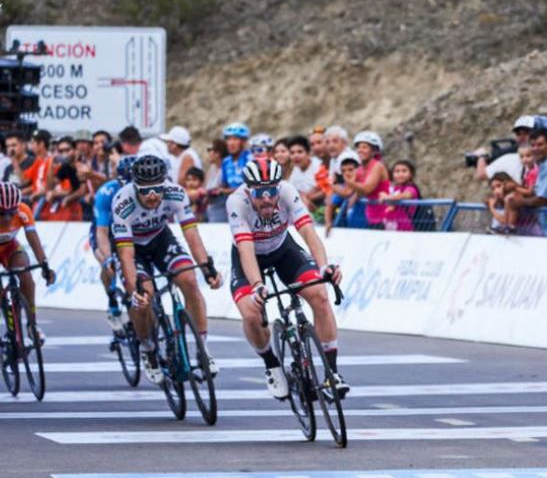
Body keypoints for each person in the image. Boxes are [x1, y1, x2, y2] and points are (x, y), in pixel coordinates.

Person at [226, 158, 347, 399]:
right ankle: (271, 364)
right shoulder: (236, 202)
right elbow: (246, 249)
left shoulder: (287, 193)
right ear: (249, 190)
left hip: (283, 250)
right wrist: (258, 286)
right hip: (250, 258)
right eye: (260, 193)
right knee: (251, 312)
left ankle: (331, 373)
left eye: (272, 191)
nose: (267, 198)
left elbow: (308, 232)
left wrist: (323, 267)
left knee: (320, 296)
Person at [112, 155, 223, 384]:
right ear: (135, 187)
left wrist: (207, 269)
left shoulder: (175, 192)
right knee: (145, 295)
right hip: (133, 248)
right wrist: (135, 291)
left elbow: (191, 235)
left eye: (157, 189)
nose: (152, 195)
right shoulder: (123, 203)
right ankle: (148, 349)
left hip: (160, 239)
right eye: (145, 190)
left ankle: (203, 351)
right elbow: (126, 255)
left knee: (189, 281)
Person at [0, 182, 56, 342]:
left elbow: (34, 240)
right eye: (2, 213)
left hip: (10, 248)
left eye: (11, 213)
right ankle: (9, 322)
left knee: (26, 276)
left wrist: (45, 266)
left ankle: (32, 324)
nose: (7, 218)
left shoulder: (23, 210)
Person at [91, 156, 137, 332]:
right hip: (106, 230)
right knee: (106, 263)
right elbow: (101, 233)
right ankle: (111, 300)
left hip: (130, 230)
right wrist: (108, 258)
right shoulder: (106, 193)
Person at [504, 127, 547, 237]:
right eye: (533, 145)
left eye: (540, 145)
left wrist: (519, 202)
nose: (535, 149)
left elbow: (542, 200)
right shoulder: (544, 163)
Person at [345, 131, 389, 230]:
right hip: (371, 216)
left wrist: (350, 182)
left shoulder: (377, 166)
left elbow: (367, 189)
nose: (360, 150)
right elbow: (348, 191)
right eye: (359, 147)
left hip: (384, 217)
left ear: (374, 150)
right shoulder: (360, 168)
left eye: (365, 147)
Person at [473, 115, 536, 183]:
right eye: (518, 134)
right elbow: (482, 174)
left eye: (526, 133)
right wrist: (482, 157)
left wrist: (481, 156)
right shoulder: (510, 159)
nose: (522, 137)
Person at [41, 136, 87, 222]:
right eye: (61, 151)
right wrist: (51, 164)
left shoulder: (82, 163)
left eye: (67, 150)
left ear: (75, 150)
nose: (64, 154)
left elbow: (83, 190)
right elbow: (50, 187)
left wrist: (68, 198)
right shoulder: (66, 166)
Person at [325, 152, 368, 235]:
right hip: (350, 231)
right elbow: (329, 206)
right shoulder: (342, 187)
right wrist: (328, 223)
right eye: (343, 171)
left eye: (350, 170)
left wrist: (331, 185)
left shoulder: (366, 185)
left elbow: (348, 193)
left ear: (359, 169)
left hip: (370, 230)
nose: (347, 173)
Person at [380, 160, 420, 231]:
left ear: (411, 174)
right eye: (397, 171)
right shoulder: (394, 188)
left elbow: (406, 195)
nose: (400, 174)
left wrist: (387, 197)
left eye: (404, 171)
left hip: (405, 227)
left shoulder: (411, 188)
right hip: (391, 225)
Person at [220, 122, 252, 197]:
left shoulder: (250, 159)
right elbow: (224, 185)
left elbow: (252, 187)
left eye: (235, 139)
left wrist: (226, 191)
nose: (231, 143)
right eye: (229, 139)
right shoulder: (225, 162)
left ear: (243, 142)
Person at [205, 139, 228, 223]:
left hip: (223, 210)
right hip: (211, 210)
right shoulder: (212, 168)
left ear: (218, 153)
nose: (209, 153)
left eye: (211, 150)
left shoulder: (225, 170)